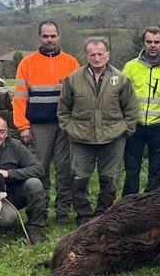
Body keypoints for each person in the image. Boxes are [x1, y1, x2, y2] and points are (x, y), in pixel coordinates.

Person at [57, 37, 139, 222]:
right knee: (79, 178)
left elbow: (131, 108)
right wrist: (68, 128)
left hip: (113, 137)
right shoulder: (73, 79)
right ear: (86, 56)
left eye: (100, 54)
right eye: (92, 54)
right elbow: (63, 108)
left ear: (107, 55)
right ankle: (84, 215)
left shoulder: (121, 79)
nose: (96, 58)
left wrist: (126, 130)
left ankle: (103, 214)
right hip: (80, 137)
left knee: (109, 178)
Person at [13, 20, 80, 223]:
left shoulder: (71, 62)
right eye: (45, 36)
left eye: (53, 36)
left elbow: (79, 96)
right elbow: (19, 98)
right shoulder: (27, 63)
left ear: (59, 36)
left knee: (65, 169)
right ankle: (39, 212)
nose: (49, 40)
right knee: (39, 170)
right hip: (38, 126)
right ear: (39, 38)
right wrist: (23, 126)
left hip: (64, 126)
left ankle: (62, 212)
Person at [121, 27, 160, 196]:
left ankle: (151, 204)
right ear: (143, 43)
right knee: (131, 168)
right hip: (135, 125)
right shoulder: (130, 66)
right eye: (149, 42)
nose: (152, 45)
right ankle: (128, 204)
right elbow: (120, 94)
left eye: (156, 42)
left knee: (156, 168)